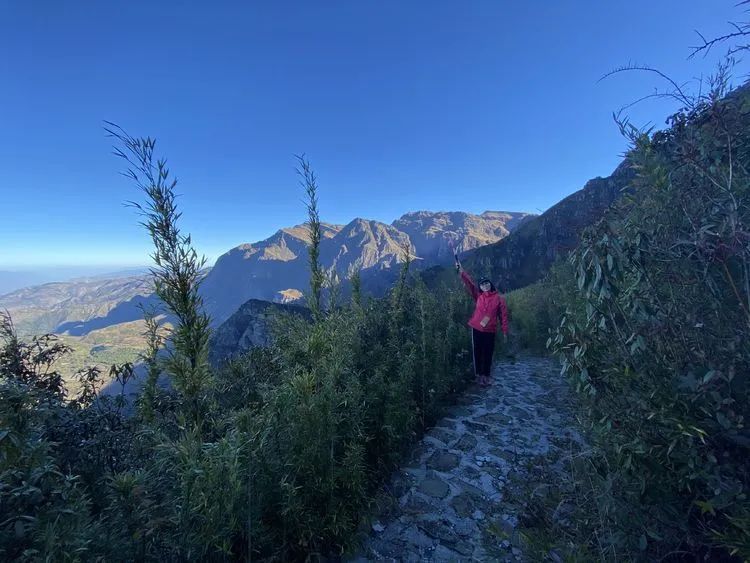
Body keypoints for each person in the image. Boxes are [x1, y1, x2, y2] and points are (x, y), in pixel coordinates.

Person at [456, 261, 508, 386]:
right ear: (480, 287)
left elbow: (503, 316)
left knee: (488, 353)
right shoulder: (478, 296)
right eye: (483, 284)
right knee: (477, 352)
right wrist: (461, 271)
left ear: (490, 284)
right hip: (476, 328)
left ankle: (487, 375)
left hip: (490, 330)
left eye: (487, 283)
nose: (485, 285)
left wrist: (505, 330)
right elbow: (469, 283)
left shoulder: (499, 299)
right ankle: (479, 376)